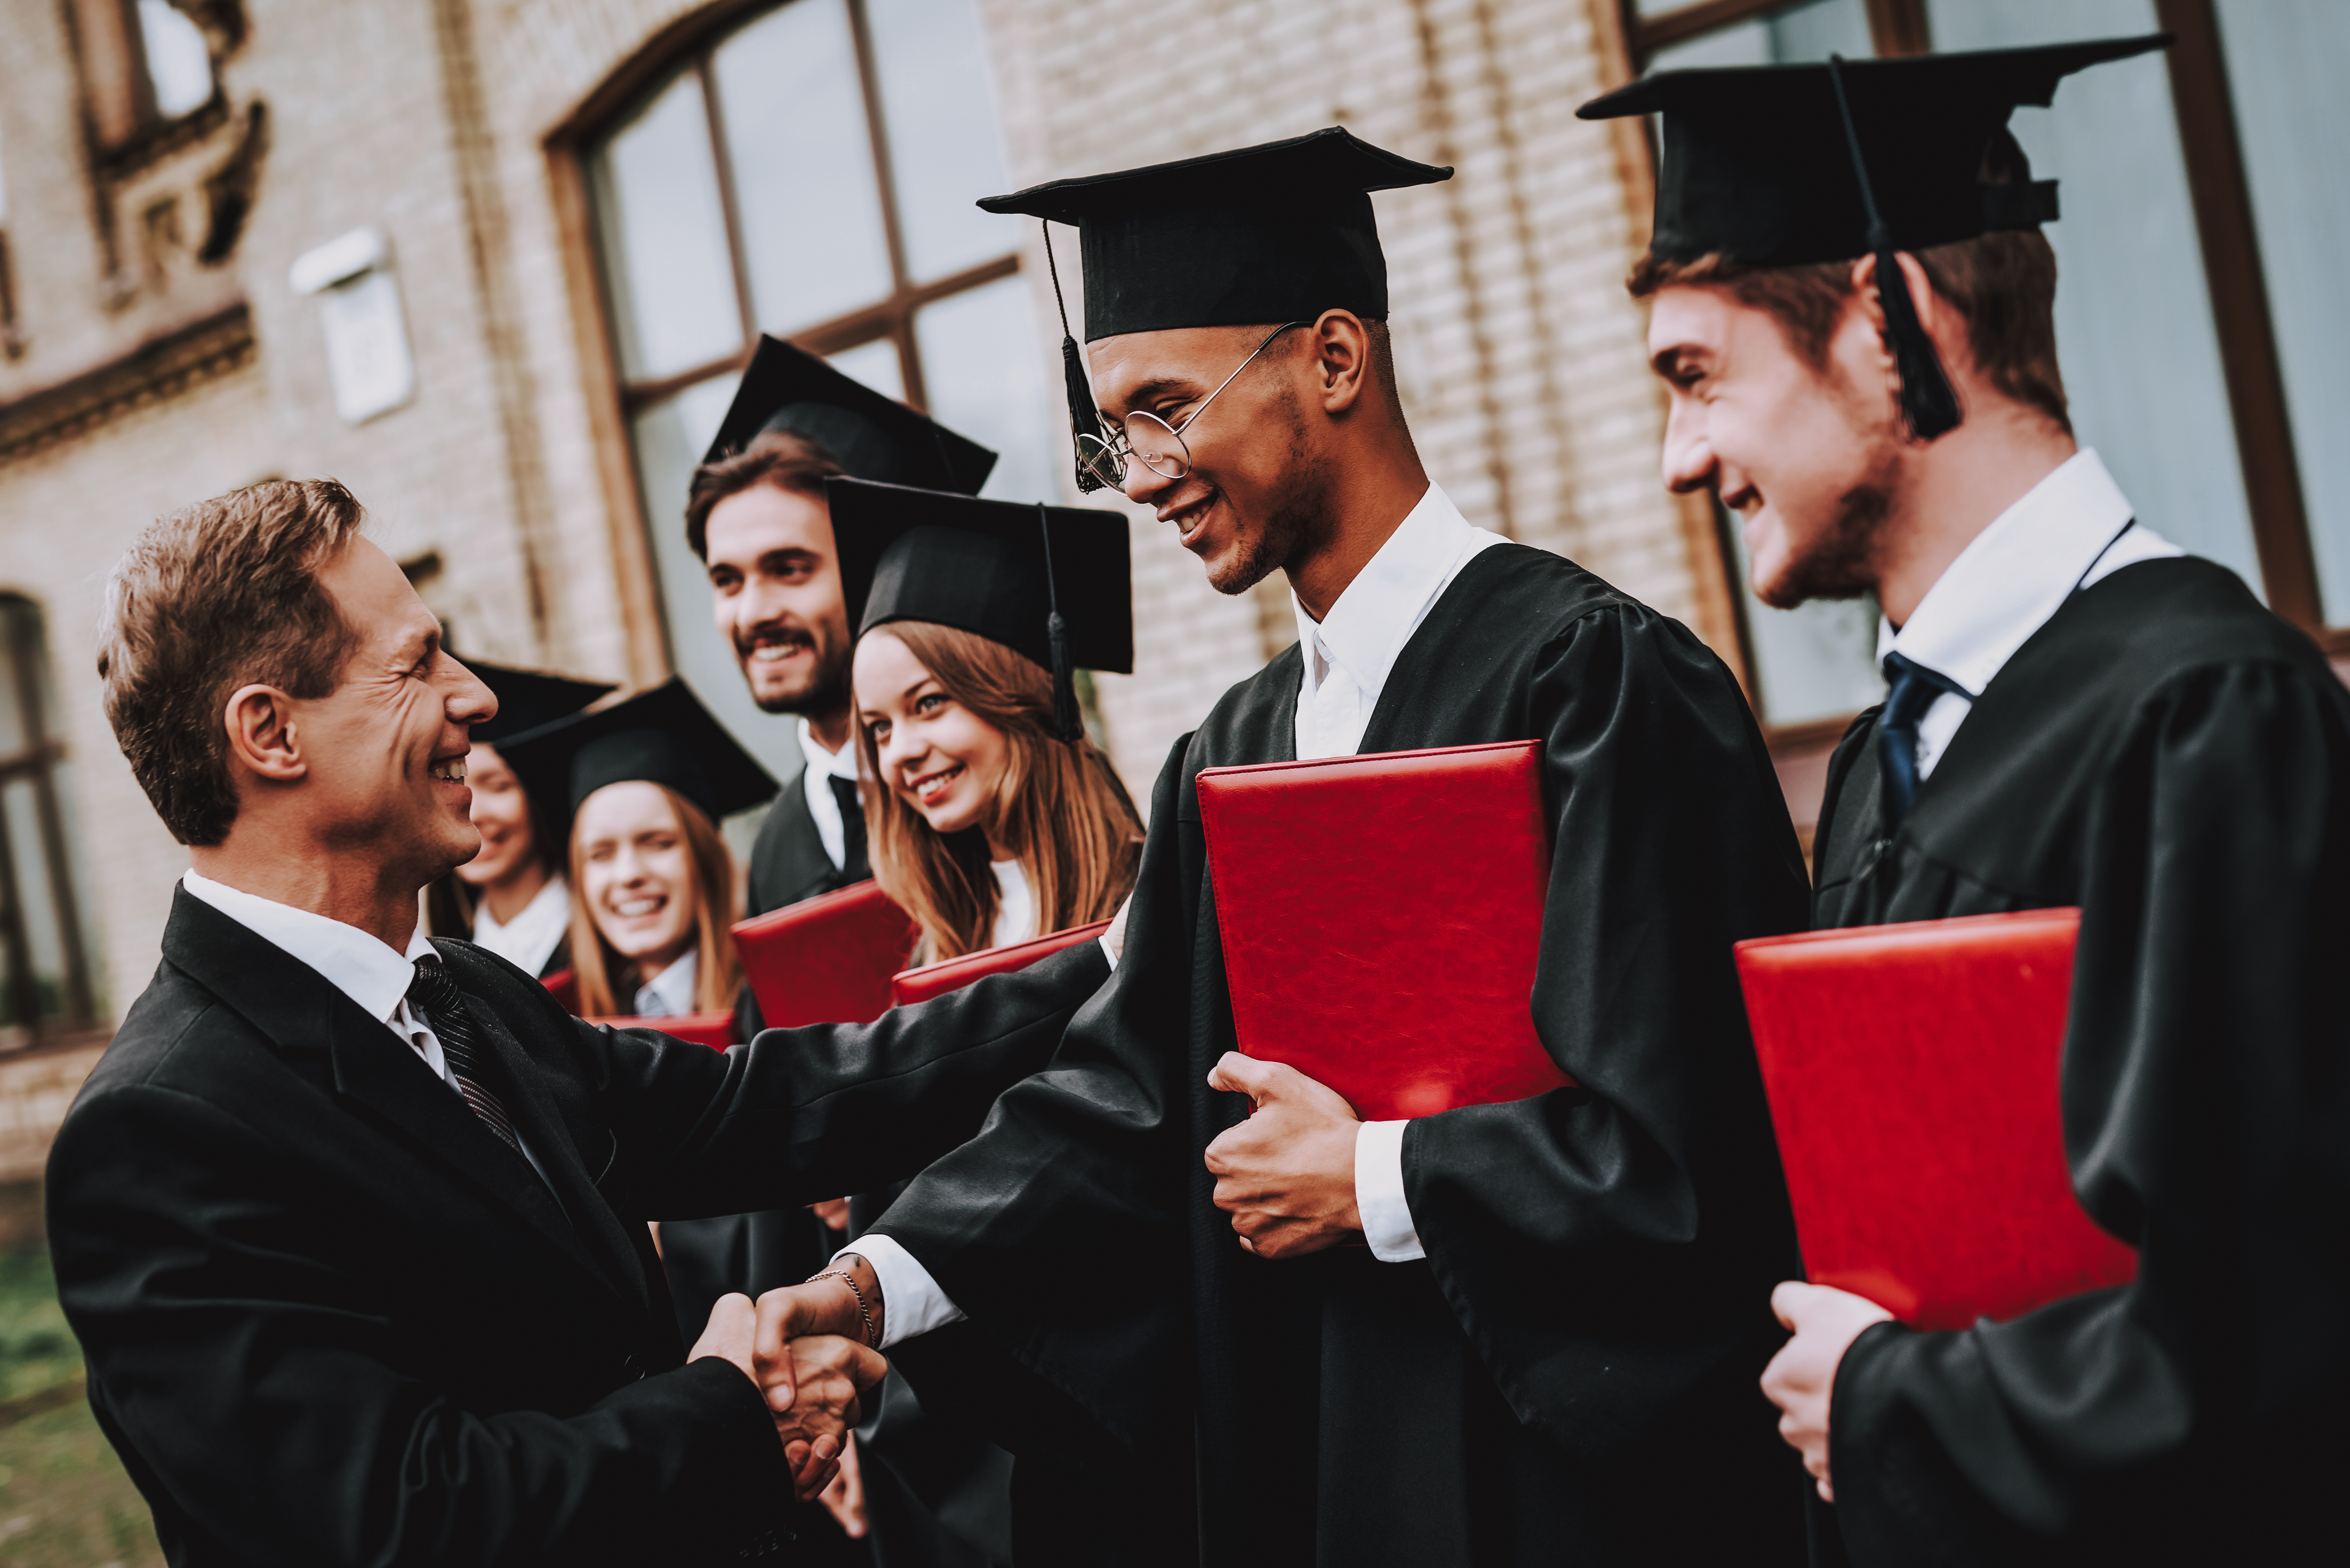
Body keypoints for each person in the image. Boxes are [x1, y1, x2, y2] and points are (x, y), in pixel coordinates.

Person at [770, 129, 1816, 1566]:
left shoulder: (1587, 682)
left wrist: (1381, 1175)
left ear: (1332, 358)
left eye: (1162, 409)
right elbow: (1127, 1093)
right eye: (1108, 433)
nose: (1137, 476)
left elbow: (1700, 1137)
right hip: (1327, 1458)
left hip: (1569, 1496)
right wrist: (879, 1279)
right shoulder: (1236, 747)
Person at [47, 479, 1115, 1566]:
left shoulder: (468, 994)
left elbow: (776, 1105)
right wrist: (728, 1412)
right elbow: (402, 1518)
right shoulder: (158, 1137)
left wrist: (1120, 959)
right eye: (417, 664)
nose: (476, 700)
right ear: (272, 732)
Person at [1590, 36, 2350, 1564]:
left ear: (1884, 317)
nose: (1682, 457)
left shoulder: (2203, 710)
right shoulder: (1898, 755)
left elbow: (2279, 1321)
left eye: (1695, 375)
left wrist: (1884, 1400)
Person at [689, 338, 997, 920]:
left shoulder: (991, 785)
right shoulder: (777, 846)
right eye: (727, 580)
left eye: (790, 569)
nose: (753, 612)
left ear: (878, 572)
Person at [838, 479, 1142, 964]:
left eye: (929, 703)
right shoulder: (933, 949)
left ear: (1022, 700)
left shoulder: (1149, 904)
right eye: (879, 727)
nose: (900, 753)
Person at [502, 678, 771, 1022]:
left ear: (706, 858)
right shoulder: (560, 1028)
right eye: (601, 854)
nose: (629, 874)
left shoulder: (774, 1005)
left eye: (659, 843)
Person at [424, 659, 613, 976]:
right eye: (453, 782)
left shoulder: (613, 946)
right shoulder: (440, 960)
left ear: (542, 798)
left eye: (499, 786)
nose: (474, 811)